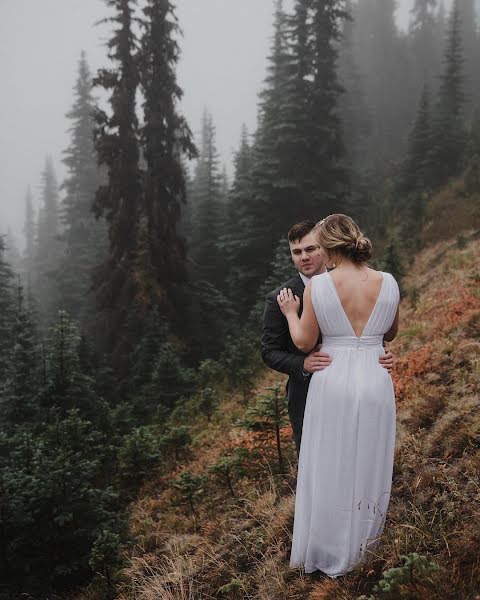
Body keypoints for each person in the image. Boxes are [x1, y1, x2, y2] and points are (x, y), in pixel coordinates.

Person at [277, 214, 400, 577]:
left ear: (329, 248)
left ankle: (329, 545)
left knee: (330, 462)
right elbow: (389, 333)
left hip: (334, 378)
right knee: (368, 460)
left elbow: (303, 341)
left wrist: (290, 312)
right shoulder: (389, 281)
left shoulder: (320, 286)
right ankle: (362, 544)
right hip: (376, 377)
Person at [261, 221, 394, 456]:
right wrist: (302, 364)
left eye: (310, 249)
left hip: (360, 387)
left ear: (324, 248)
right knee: (316, 461)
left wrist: (379, 352)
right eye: (297, 252)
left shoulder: (354, 281)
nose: (304, 257)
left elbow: (368, 327)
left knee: (363, 452)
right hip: (306, 393)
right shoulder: (280, 298)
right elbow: (269, 351)